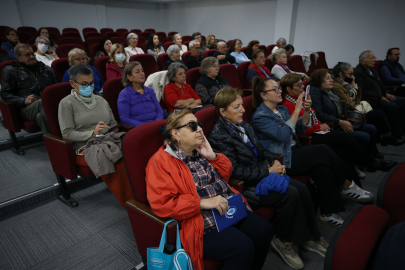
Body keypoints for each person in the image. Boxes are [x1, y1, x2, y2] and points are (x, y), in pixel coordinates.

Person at [208, 87, 329, 270]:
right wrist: (268, 170)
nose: (242, 110)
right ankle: (283, 241)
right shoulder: (219, 136)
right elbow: (236, 172)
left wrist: (273, 160)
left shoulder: (243, 125)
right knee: (290, 194)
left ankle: (310, 237)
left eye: (242, 105)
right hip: (245, 186)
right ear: (223, 112)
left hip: (262, 173)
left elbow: (261, 149)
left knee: (302, 189)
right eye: (236, 107)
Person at [146, 109, 273, 270]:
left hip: (227, 207)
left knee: (265, 231)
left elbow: (226, 175)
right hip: (200, 221)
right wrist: (202, 203)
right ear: (176, 134)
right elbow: (163, 203)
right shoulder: (161, 162)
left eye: (199, 124)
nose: (199, 129)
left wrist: (212, 156)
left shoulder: (199, 149)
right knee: (243, 247)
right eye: (192, 126)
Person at [248, 77, 375, 226]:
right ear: (263, 95)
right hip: (281, 159)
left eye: (279, 88)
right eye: (275, 89)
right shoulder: (260, 116)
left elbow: (300, 129)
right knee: (322, 150)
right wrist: (296, 110)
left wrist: (306, 111)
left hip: (295, 150)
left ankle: (327, 213)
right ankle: (346, 184)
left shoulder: (281, 109)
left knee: (323, 169)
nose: (279, 91)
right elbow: (283, 135)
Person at [281, 73, 396, 175]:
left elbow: (314, 117)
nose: (303, 87)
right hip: (308, 137)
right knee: (342, 137)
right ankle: (370, 162)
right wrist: (318, 127)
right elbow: (299, 129)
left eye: (302, 84)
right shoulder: (288, 105)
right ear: (288, 89)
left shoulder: (301, 99)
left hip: (319, 131)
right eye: (299, 85)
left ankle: (351, 178)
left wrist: (322, 126)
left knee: (342, 151)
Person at [58, 64, 134, 208]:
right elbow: (67, 133)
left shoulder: (100, 100)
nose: (89, 87)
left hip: (107, 139)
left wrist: (112, 131)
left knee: (132, 147)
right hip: (85, 146)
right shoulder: (66, 103)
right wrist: (92, 133)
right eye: (84, 84)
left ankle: (144, 191)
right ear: (72, 84)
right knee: (115, 157)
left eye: (91, 83)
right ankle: (131, 202)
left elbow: (112, 123)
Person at [310, 69, 388, 161]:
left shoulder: (330, 90)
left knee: (372, 128)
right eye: (327, 78)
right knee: (364, 136)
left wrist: (353, 110)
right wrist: (340, 122)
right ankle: (364, 161)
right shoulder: (315, 92)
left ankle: (372, 154)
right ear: (318, 80)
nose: (331, 80)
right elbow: (319, 114)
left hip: (343, 119)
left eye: (331, 78)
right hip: (333, 125)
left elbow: (341, 104)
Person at [332, 62, 404, 145]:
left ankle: (384, 139)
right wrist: (355, 98)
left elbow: (357, 99)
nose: (352, 76)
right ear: (341, 74)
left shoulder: (347, 84)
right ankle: (386, 137)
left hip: (355, 110)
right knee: (379, 114)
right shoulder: (337, 86)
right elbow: (350, 104)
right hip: (348, 113)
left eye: (353, 73)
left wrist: (354, 85)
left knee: (378, 117)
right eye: (350, 73)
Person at [1, 43, 57, 134]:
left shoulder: (45, 69)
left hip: (46, 105)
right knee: (42, 103)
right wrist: (23, 100)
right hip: (25, 108)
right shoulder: (10, 70)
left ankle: (55, 144)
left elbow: (56, 88)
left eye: (32, 54)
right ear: (18, 57)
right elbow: (5, 94)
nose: (31, 56)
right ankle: (67, 135)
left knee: (40, 116)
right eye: (27, 55)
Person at [354, 50, 405, 139]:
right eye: (372, 58)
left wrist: (386, 94)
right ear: (363, 61)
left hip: (381, 96)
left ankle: (402, 129)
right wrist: (380, 96)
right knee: (393, 106)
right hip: (373, 99)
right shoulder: (358, 73)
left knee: (403, 101)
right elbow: (363, 91)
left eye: (375, 58)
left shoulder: (373, 71)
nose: (375, 60)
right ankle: (396, 133)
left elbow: (380, 85)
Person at [118, 61, 163, 126]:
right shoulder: (124, 94)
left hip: (156, 125)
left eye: (142, 71)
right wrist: (144, 126)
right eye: (137, 72)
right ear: (129, 77)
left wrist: (157, 123)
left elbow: (159, 110)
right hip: (139, 128)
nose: (142, 74)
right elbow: (124, 119)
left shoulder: (150, 90)